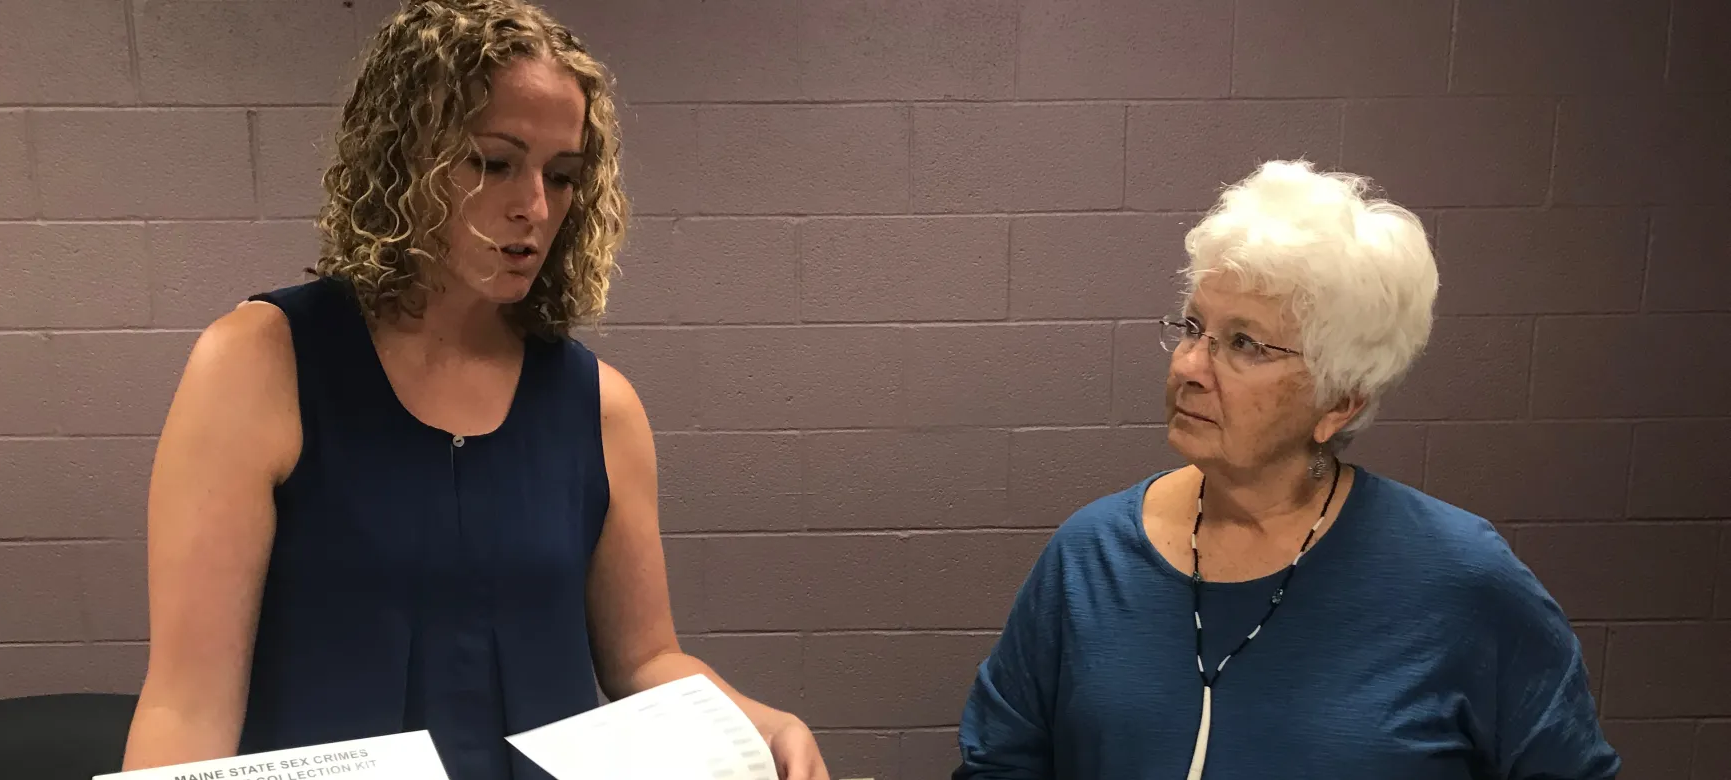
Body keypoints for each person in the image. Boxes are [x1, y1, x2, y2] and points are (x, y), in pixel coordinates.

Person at [119, 3, 828, 779]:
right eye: (492, 162)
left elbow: (645, 657)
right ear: (404, 159)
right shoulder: (260, 365)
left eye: (562, 176)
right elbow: (186, 706)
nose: (533, 206)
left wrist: (764, 724)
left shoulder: (599, 406)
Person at [952, 160, 1619, 780]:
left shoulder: (1461, 580)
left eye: (1244, 343)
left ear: (1339, 400)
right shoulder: (1089, 558)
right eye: (1192, 327)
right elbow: (998, 766)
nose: (1188, 367)